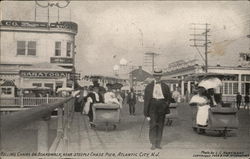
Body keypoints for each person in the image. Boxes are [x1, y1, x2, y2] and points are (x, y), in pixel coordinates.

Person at [144, 69, 171, 150]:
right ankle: (153, 143)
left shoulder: (165, 86)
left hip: (162, 106)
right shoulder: (149, 86)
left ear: (161, 76)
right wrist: (146, 113)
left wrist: (166, 105)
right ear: (154, 76)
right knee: (153, 125)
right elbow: (146, 100)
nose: (158, 77)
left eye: (159, 75)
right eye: (156, 75)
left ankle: (158, 143)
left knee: (160, 125)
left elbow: (169, 98)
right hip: (152, 106)